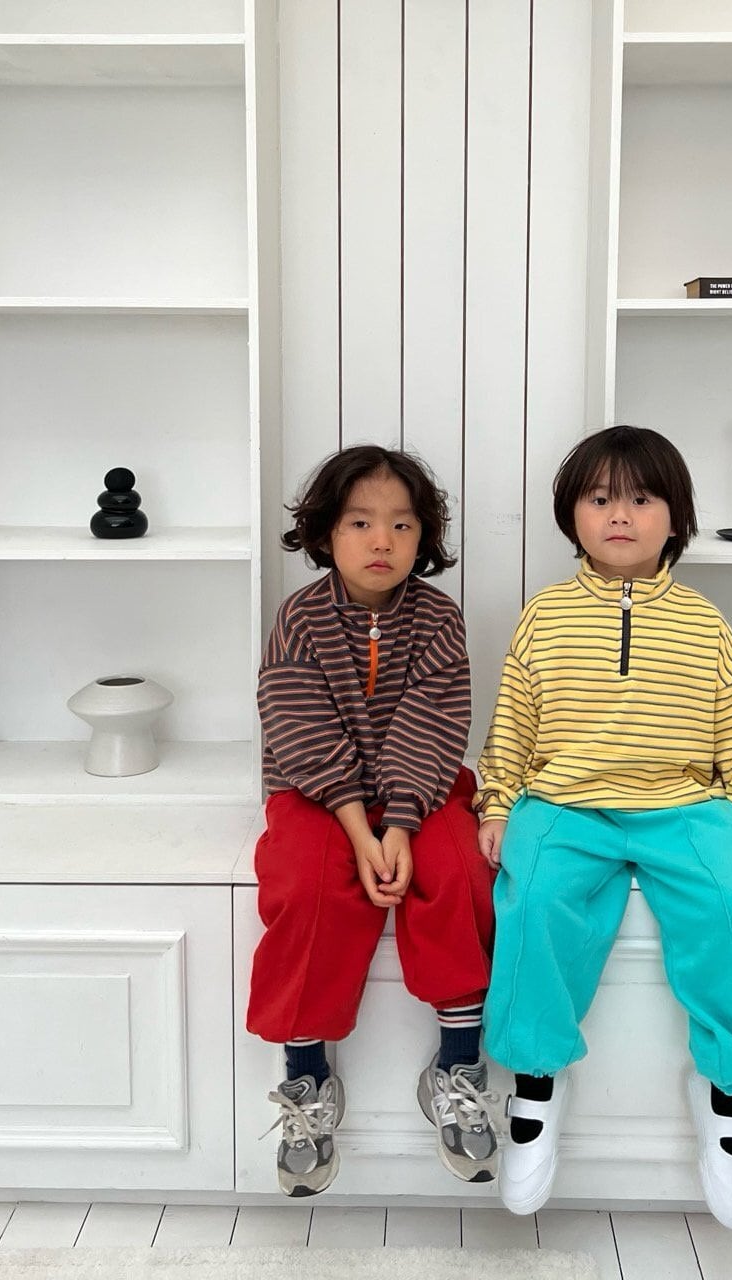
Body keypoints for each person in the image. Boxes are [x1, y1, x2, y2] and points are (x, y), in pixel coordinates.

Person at [475, 424, 732, 1227]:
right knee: (531, 903)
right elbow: (512, 722)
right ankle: (536, 1089)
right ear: (572, 515)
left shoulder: (703, 623)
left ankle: (730, 1100)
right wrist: (499, 803)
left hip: (683, 807)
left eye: (642, 498)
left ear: (674, 518)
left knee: (729, 911)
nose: (620, 514)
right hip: (564, 806)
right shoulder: (545, 616)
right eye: (600, 498)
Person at [247, 444, 499, 1197]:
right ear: (327, 532)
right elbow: (299, 727)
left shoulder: (438, 620)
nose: (382, 540)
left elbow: (433, 723)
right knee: (304, 886)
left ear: (425, 538)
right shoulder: (299, 618)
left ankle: (458, 1064)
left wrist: (401, 827)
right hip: (315, 792)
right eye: (360, 522)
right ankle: (306, 1075)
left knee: (465, 874)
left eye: (402, 524)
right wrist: (360, 832)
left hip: (422, 790)